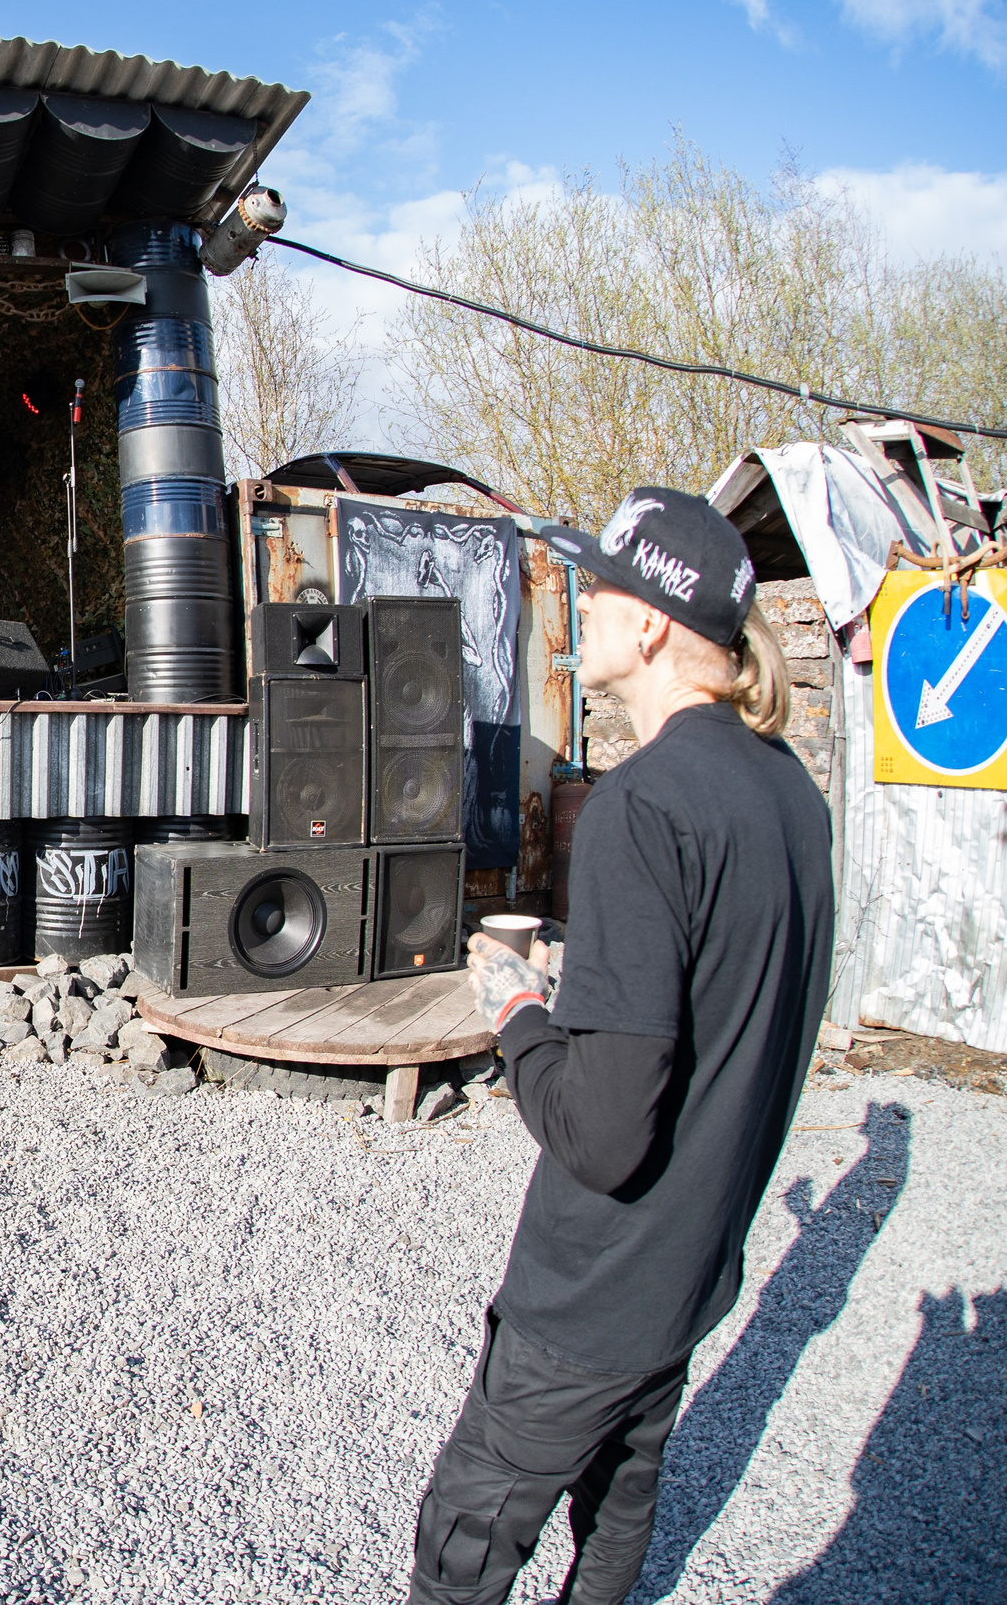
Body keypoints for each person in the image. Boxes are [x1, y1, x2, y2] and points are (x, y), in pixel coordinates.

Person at [406, 485, 834, 1605]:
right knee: (616, 1524)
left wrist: (515, 1012)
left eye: (597, 591)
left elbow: (599, 1130)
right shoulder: (787, 794)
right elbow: (716, 1004)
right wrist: (581, 990)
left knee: (465, 1538)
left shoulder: (640, 808)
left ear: (650, 622)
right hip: (689, 1273)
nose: (581, 611)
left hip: (591, 1292)